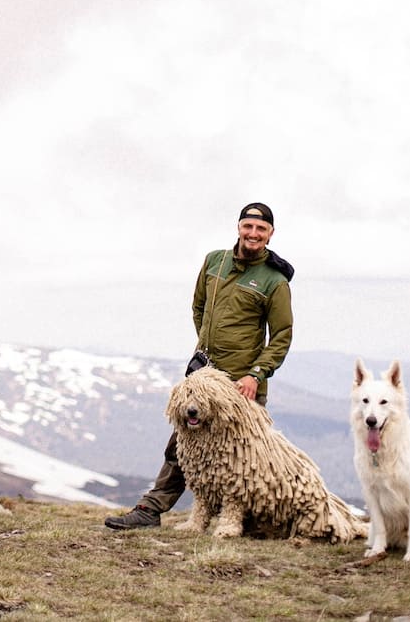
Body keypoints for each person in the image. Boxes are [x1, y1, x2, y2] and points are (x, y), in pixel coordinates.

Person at [104, 201, 295, 530]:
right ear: (238, 227)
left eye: (261, 229)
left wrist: (255, 374)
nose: (253, 234)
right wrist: (206, 355)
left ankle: (265, 520)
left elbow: (282, 335)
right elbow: (199, 308)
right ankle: (150, 510)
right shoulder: (214, 262)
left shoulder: (274, 281)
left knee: (246, 459)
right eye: (248, 226)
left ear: (270, 234)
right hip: (203, 379)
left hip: (241, 386)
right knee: (183, 445)